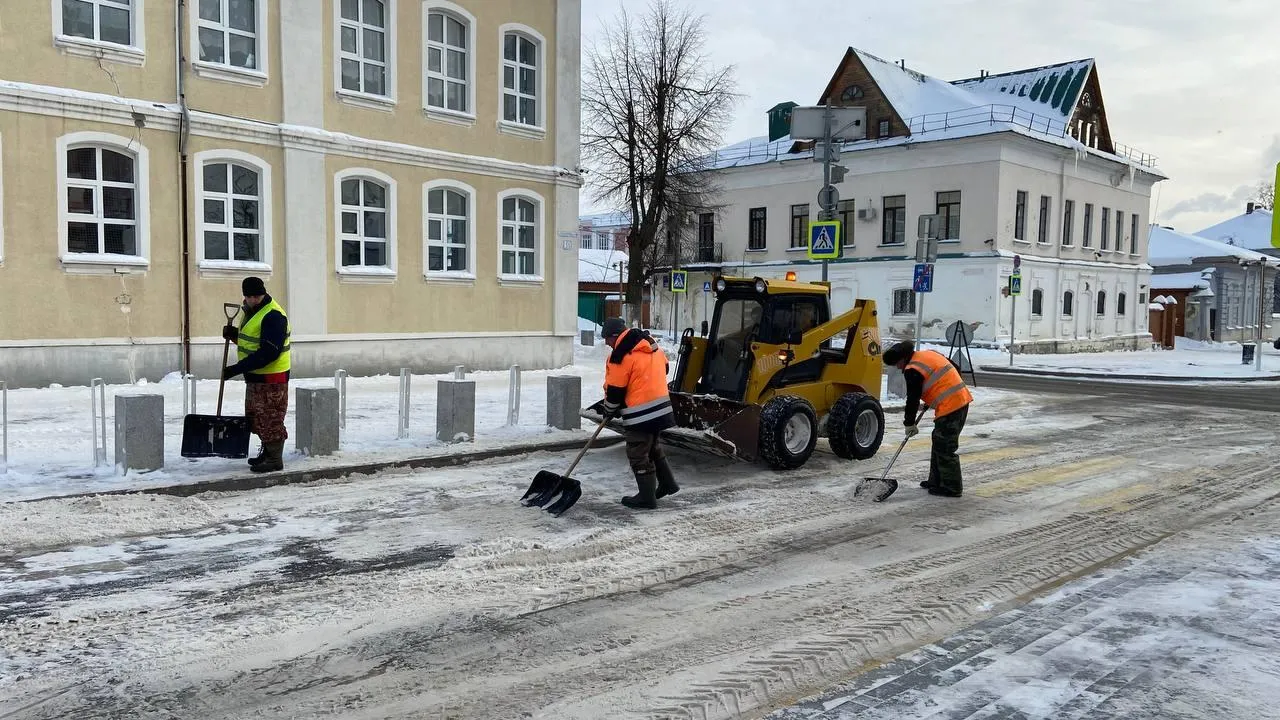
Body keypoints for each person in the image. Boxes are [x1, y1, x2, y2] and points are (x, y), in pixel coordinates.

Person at [599, 317, 678, 509]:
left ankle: (646, 498)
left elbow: (616, 391)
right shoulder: (651, 345)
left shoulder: (620, 355)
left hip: (641, 413)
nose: (607, 343)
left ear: (615, 336)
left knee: (637, 452)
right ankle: (667, 484)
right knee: (652, 447)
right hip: (661, 408)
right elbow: (665, 368)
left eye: (607, 339)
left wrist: (609, 410)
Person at [880, 340, 972, 497]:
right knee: (939, 441)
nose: (897, 367)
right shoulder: (928, 354)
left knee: (945, 446)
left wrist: (909, 423)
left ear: (903, 358)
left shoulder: (912, 369)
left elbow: (912, 399)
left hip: (952, 405)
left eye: (897, 363)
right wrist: (937, 391)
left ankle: (952, 487)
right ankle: (936, 481)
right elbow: (954, 368)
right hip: (959, 400)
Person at [221, 277, 292, 473]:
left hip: (272, 378)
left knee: (271, 418)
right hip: (256, 377)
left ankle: (275, 459)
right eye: (249, 296)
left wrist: (237, 368)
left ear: (263, 293)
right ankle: (267, 453)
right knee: (256, 417)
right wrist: (234, 335)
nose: (253, 299)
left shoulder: (273, 316)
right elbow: (252, 343)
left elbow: (269, 352)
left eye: (257, 296)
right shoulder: (252, 312)